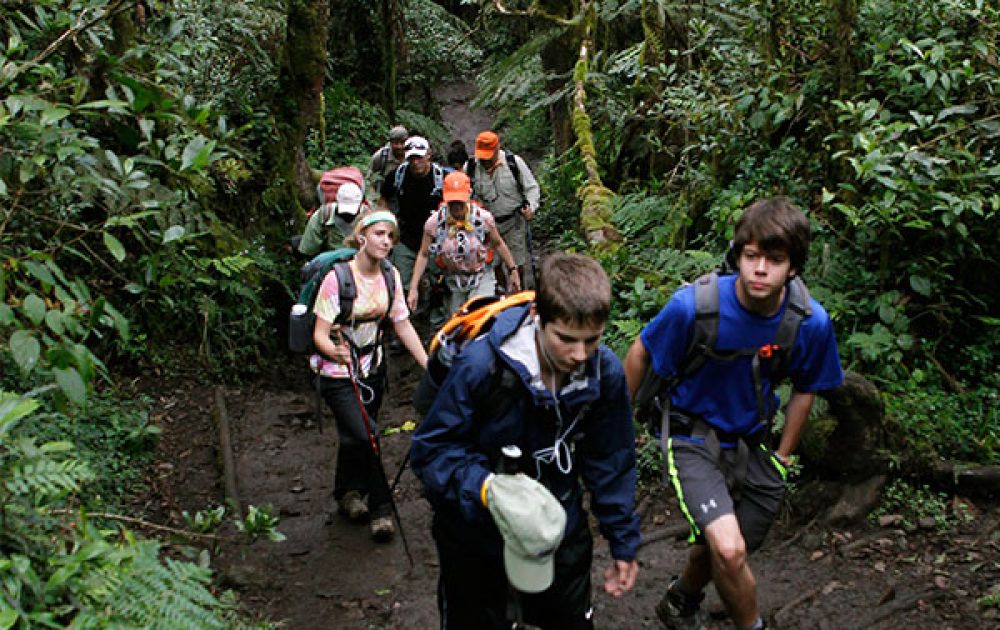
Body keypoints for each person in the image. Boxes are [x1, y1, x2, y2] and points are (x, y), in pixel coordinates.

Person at [622, 197, 844, 630]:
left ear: (793, 267)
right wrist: (617, 429)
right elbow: (641, 352)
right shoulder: (695, 307)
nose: (760, 269)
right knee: (728, 548)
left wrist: (783, 454)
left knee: (731, 541)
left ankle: (680, 600)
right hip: (688, 436)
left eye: (774, 260)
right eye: (751, 256)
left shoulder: (809, 322)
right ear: (738, 256)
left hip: (751, 442)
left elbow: (806, 388)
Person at [411, 252, 641, 630]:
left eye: (591, 341)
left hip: (557, 526)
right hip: (476, 530)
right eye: (566, 339)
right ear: (537, 317)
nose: (579, 355)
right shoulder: (481, 367)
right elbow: (431, 451)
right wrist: (485, 487)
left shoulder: (604, 372)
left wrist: (623, 541)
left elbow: (611, 459)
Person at [311, 209, 427, 541]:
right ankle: (381, 509)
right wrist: (333, 351)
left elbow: (401, 323)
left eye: (391, 236)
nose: (386, 241)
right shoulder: (338, 278)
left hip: (372, 370)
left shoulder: (390, 277)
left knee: (354, 437)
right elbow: (320, 333)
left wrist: (427, 364)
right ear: (362, 236)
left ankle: (347, 494)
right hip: (336, 373)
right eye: (379, 234)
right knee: (368, 436)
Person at [407, 171, 521, 332]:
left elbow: (498, 243)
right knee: (457, 326)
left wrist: (512, 269)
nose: (456, 206)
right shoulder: (435, 223)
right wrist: (413, 288)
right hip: (453, 281)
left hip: (481, 277)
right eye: (452, 201)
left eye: (460, 200)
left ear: (468, 196)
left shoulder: (483, 218)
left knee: (480, 319)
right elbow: (423, 254)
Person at [467, 130, 540, 288]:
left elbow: (532, 188)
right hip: (485, 227)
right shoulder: (471, 167)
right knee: (492, 264)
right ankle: (499, 295)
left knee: (517, 262)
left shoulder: (514, 163)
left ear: (497, 148)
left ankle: (518, 294)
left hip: (513, 223)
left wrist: (531, 207)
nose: (485, 160)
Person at [380, 135, 446, 299]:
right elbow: (383, 200)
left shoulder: (441, 179)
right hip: (406, 236)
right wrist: (388, 223)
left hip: (435, 239)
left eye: (419, 157)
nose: (416, 162)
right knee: (401, 281)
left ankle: (434, 316)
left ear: (428, 155)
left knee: (438, 282)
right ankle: (406, 315)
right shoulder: (397, 176)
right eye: (412, 158)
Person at [298, 181, 366, 257]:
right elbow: (308, 249)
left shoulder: (368, 217)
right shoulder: (323, 215)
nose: (348, 215)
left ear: (360, 204)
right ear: (337, 201)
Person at [367, 125, 408, 197]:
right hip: (385, 196)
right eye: (396, 143)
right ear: (390, 143)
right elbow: (369, 179)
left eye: (402, 143)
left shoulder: (412, 156)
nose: (399, 146)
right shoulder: (381, 156)